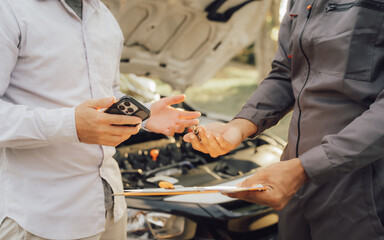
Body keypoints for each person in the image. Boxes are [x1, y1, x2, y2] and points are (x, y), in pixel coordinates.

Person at [184, 0, 384, 239]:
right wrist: (239, 127)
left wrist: (306, 168)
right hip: (294, 183)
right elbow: (285, 72)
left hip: (364, 187)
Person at [0, 0, 200, 239]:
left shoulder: (105, 17)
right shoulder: (9, 9)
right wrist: (71, 125)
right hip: (42, 219)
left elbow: (106, 96)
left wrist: (144, 114)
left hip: (112, 208)